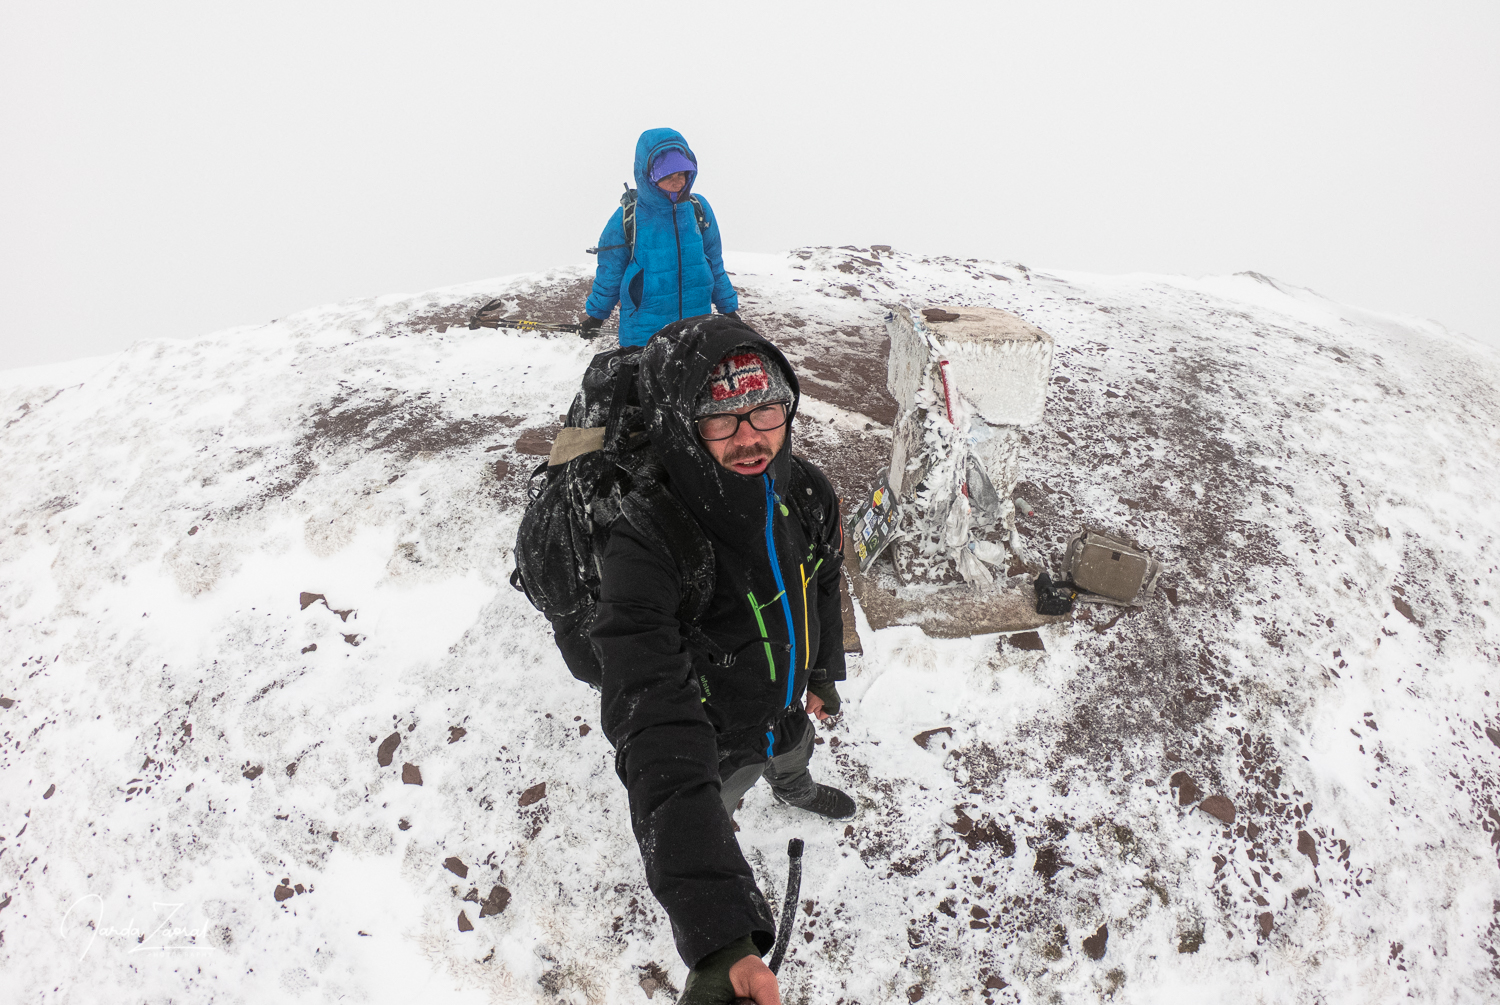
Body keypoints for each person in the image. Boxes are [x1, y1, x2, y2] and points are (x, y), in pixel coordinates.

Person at [593, 314, 855, 1005]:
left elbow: (825, 580)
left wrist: (824, 669)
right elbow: (656, 726)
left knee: (793, 752)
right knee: (718, 792)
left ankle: (794, 789)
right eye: (721, 418)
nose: (751, 437)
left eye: (766, 409)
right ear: (685, 425)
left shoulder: (806, 490)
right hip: (717, 735)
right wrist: (720, 935)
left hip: (787, 705)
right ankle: (730, 814)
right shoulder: (648, 541)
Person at [580, 128, 739, 346]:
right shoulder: (627, 218)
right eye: (668, 176)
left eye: (681, 174)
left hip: (696, 329)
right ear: (649, 177)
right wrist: (596, 316)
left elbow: (714, 262)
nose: (677, 183)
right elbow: (610, 273)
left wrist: (728, 310)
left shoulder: (698, 209)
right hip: (645, 333)